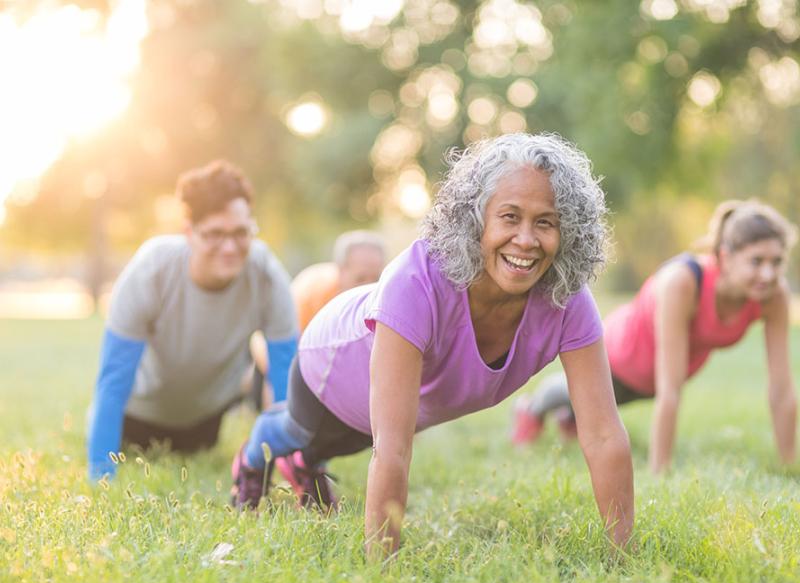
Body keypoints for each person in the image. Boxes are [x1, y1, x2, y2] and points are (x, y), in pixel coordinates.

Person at [230, 133, 634, 556]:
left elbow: (604, 434)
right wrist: (381, 571)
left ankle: (305, 464)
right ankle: (256, 452)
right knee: (301, 431)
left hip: (388, 415)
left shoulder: (565, 298)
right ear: (476, 219)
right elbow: (393, 450)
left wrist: (622, 557)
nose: (527, 240)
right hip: (329, 363)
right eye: (510, 217)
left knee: (342, 443)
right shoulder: (417, 282)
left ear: (567, 231)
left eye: (546, 222)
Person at [513, 200, 798, 474]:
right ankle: (530, 408)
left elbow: (781, 388)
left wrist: (788, 464)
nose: (769, 273)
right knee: (569, 392)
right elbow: (670, 390)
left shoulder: (771, 295)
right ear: (725, 256)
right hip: (620, 356)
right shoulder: (683, 281)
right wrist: (660, 470)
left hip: (656, 377)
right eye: (757, 261)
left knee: (592, 406)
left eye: (777, 261)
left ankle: (571, 418)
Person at [86, 160, 299, 481]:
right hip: (136, 419)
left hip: (203, 427)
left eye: (241, 233)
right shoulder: (152, 269)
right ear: (189, 232)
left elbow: (287, 380)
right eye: (214, 234)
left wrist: (297, 470)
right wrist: (101, 472)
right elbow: (113, 379)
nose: (229, 247)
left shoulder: (266, 274)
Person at [247, 230, 386, 401]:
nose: (369, 287)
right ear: (341, 271)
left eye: (377, 278)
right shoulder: (311, 293)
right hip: (275, 353)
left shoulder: (382, 301)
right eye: (361, 278)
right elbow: (284, 353)